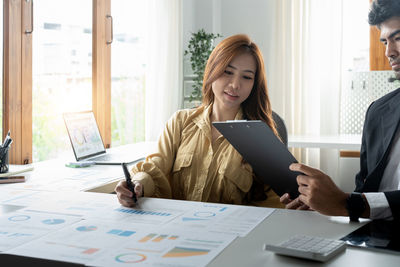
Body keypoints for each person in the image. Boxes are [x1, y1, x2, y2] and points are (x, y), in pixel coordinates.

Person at [115, 34, 283, 208]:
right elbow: (156, 168)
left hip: (231, 230)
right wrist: (137, 184)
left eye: (246, 77)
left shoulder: (259, 137)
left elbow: (274, 201)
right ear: (213, 70)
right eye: (228, 72)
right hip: (178, 228)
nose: (235, 84)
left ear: (255, 84)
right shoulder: (180, 122)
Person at [281, 0, 400, 221]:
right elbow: (364, 191)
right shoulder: (377, 112)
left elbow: (356, 203)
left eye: (397, 38)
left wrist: (345, 204)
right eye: (384, 41)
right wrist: (323, 203)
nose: (388, 52)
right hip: (371, 238)